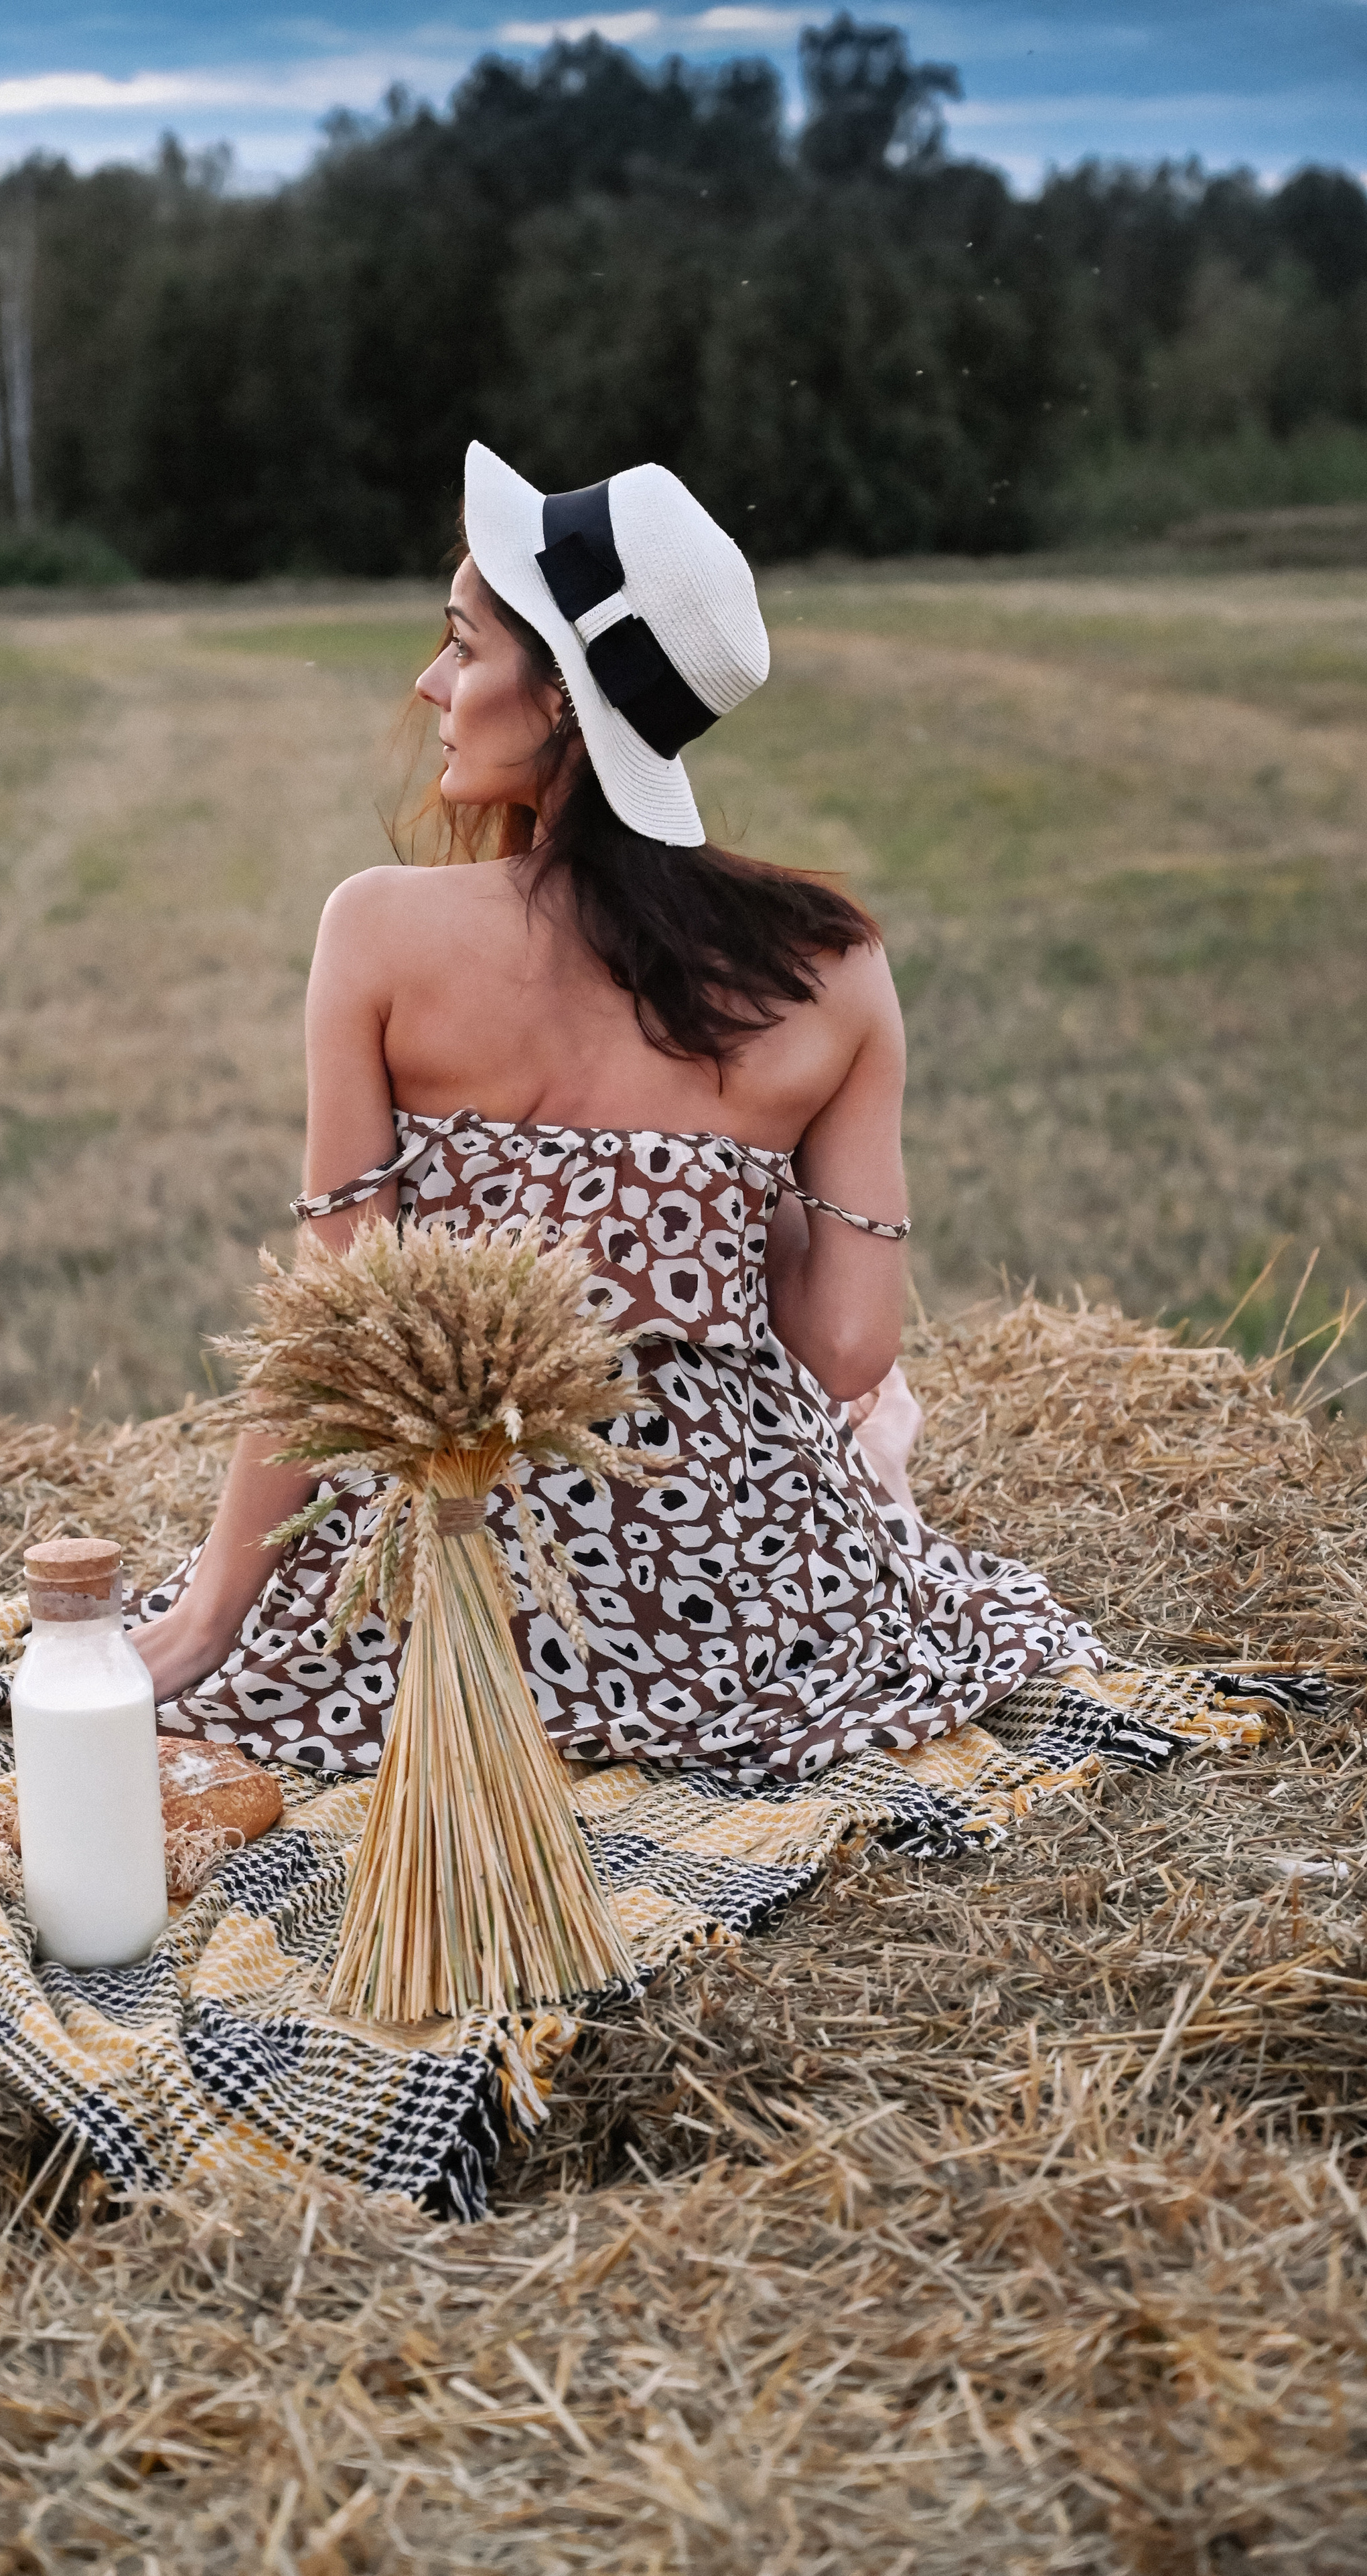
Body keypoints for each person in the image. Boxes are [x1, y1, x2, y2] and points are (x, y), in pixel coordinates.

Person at [131, 445, 1098, 1785]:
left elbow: (331, 1337)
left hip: (450, 1576)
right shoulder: (830, 969)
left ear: (567, 704)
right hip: (739, 1606)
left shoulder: (376, 932)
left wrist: (204, 1619)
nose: (430, 685)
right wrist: (708, 1206)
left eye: (461, 648)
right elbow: (844, 1345)